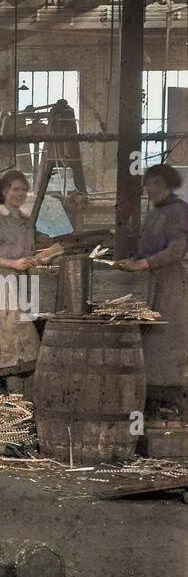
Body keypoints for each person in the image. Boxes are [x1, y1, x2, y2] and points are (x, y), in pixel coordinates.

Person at [115, 163, 188, 410]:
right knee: (149, 340)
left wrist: (145, 263)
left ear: (168, 185)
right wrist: (133, 260)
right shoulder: (155, 213)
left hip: (169, 286)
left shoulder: (179, 211)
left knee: (166, 337)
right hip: (149, 284)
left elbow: (176, 250)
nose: (150, 188)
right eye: (148, 183)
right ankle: (151, 400)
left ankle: (171, 401)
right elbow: (147, 247)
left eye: (156, 183)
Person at [0, 169, 44, 387]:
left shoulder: (25, 220)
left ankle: (11, 390)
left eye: (24, 189)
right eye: (15, 189)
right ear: (4, 191)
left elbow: (29, 250)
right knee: (4, 334)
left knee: (22, 336)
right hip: (0, 281)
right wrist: (13, 264)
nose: (20, 193)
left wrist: (40, 258)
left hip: (23, 280)